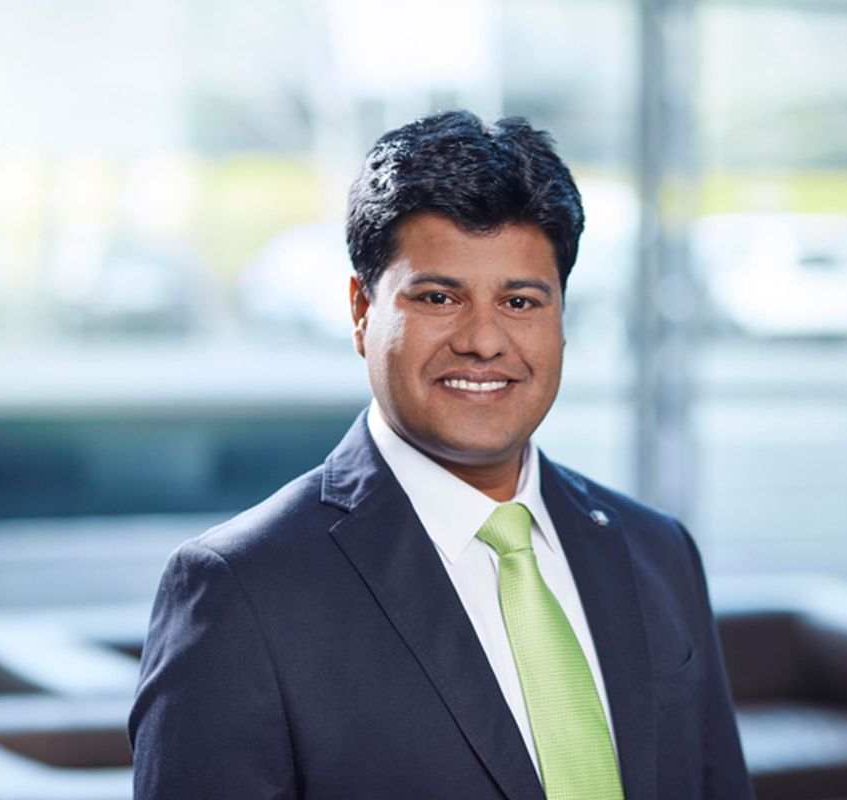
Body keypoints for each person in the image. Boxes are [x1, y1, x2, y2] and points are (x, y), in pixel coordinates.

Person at [129, 110, 753, 799]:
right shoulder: (240, 590)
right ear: (362, 312)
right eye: (437, 297)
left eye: (520, 301)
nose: (484, 340)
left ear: (561, 320)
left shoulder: (655, 550)